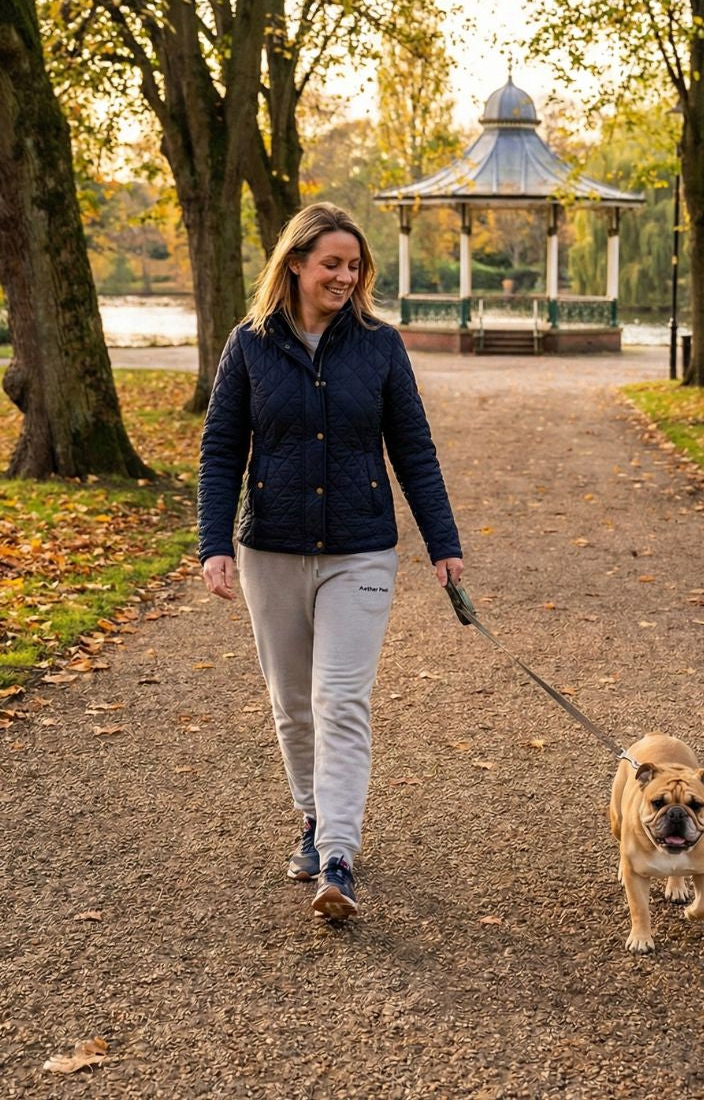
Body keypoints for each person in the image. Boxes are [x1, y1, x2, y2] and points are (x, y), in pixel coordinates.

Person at [197, 201, 463, 921]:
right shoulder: (249, 345)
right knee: (292, 706)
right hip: (271, 550)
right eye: (332, 265)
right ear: (295, 265)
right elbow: (222, 449)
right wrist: (214, 544)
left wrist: (443, 543)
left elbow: (413, 446)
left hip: (361, 549)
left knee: (340, 700)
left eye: (355, 266)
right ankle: (312, 821)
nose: (346, 277)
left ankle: (338, 855)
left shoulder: (379, 345)